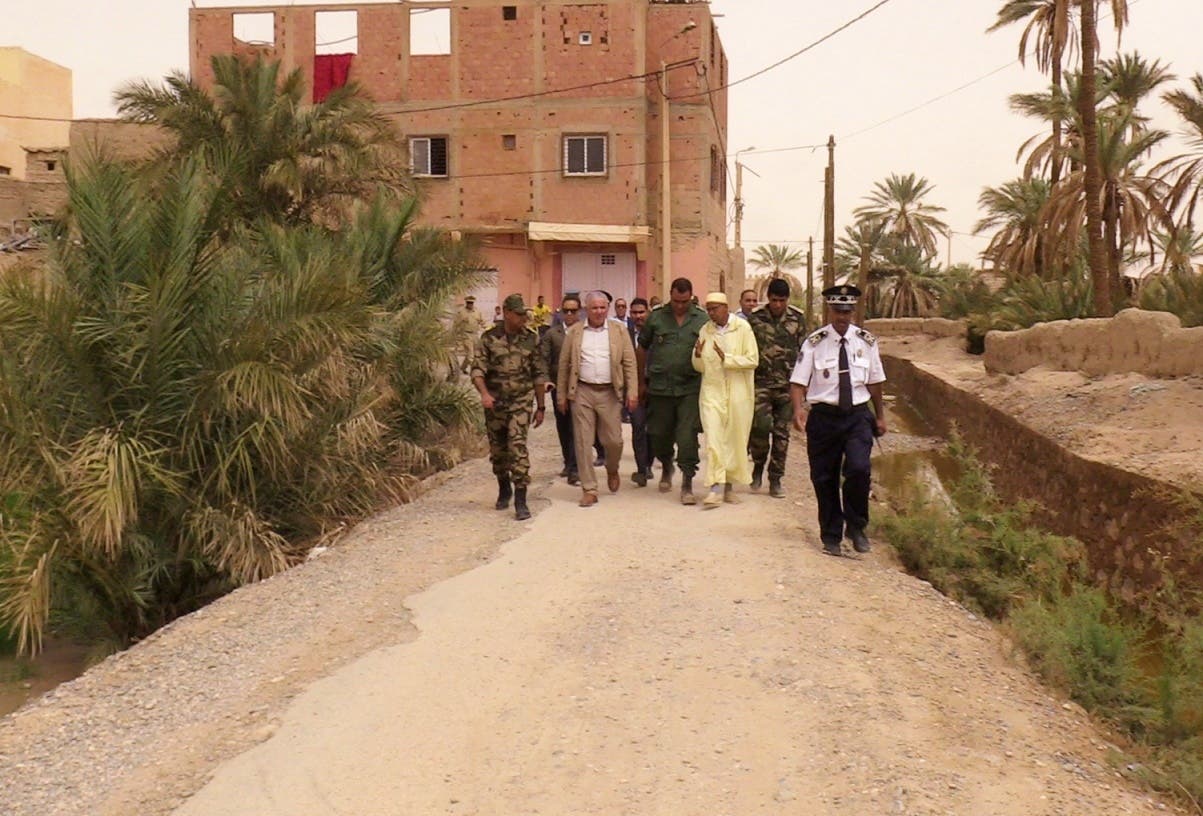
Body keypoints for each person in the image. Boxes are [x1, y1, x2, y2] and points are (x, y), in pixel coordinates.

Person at [790, 284, 887, 556]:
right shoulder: (814, 342)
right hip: (824, 418)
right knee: (824, 477)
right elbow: (798, 382)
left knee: (859, 469)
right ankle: (831, 534)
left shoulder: (867, 341)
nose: (842, 316)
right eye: (837, 310)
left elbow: (876, 382)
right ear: (830, 310)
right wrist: (798, 409)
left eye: (847, 310)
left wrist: (880, 416)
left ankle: (856, 527)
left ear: (853, 310)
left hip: (857, 416)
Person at [556, 291, 639, 507]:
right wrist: (562, 395)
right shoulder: (575, 332)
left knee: (614, 440)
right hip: (582, 391)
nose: (599, 312)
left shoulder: (619, 330)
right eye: (594, 308)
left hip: (610, 392)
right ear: (587, 309)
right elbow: (564, 366)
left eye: (603, 308)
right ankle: (590, 489)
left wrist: (632, 392)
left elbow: (629, 362)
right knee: (583, 441)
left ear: (608, 309)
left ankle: (612, 468)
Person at [472, 294, 548, 521]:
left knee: (517, 446)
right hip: (495, 401)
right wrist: (484, 394)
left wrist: (541, 406)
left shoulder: (531, 339)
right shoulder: (488, 338)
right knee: (498, 450)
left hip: (521, 401)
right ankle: (503, 486)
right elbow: (477, 370)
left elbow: (539, 373)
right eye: (518, 314)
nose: (523, 318)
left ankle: (521, 499)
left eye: (525, 313)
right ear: (506, 313)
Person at [638, 277, 709, 505]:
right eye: (677, 301)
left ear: (691, 297)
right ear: (670, 295)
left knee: (687, 435)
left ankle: (687, 481)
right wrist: (641, 381)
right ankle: (666, 465)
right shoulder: (656, 317)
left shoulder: (702, 319)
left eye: (685, 301)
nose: (680, 305)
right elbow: (642, 348)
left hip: (690, 387)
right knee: (659, 433)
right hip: (659, 387)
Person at [692, 292, 759, 508]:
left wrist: (727, 359)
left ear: (725, 308)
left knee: (734, 440)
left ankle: (729, 486)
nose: (710, 313)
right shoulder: (705, 330)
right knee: (713, 439)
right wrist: (698, 356)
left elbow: (752, 359)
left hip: (738, 393)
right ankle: (714, 489)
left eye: (714, 309)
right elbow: (698, 366)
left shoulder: (742, 328)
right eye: (708, 309)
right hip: (712, 392)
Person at [747, 278, 807, 498]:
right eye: (774, 300)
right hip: (760, 384)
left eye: (782, 300)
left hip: (787, 387)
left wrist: (804, 386)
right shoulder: (755, 320)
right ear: (768, 298)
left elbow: (805, 353)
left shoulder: (797, 319)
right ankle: (758, 465)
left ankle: (775, 479)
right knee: (760, 429)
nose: (778, 305)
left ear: (787, 300)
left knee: (782, 435)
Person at [539, 294, 582, 485]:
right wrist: (546, 380)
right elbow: (543, 360)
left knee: (578, 427)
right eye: (567, 311)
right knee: (564, 426)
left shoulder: (586, 331)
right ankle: (569, 462)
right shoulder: (552, 334)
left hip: (582, 387)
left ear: (579, 311)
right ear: (561, 312)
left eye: (573, 310)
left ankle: (576, 467)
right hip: (560, 386)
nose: (570, 314)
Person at [626, 298, 654, 486]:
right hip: (633, 387)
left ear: (648, 312)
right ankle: (641, 469)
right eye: (635, 313)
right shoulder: (624, 335)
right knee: (637, 426)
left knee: (653, 430)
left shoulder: (656, 333)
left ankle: (649, 463)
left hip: (655, 387)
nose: (638, 316)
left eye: (641, 312)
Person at [453, 295, 488, 374]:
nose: (470, 304)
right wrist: (455, 336)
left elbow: (482, 322)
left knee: (476, 354)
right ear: (466, 303)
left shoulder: (477, 312)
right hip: (466, 335)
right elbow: (456, 324)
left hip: (475, 335)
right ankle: (474, 371)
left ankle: (463, 368)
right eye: (468, 303)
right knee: (470, 355)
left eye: (471, 303)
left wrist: (488, 328)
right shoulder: (462, 312)